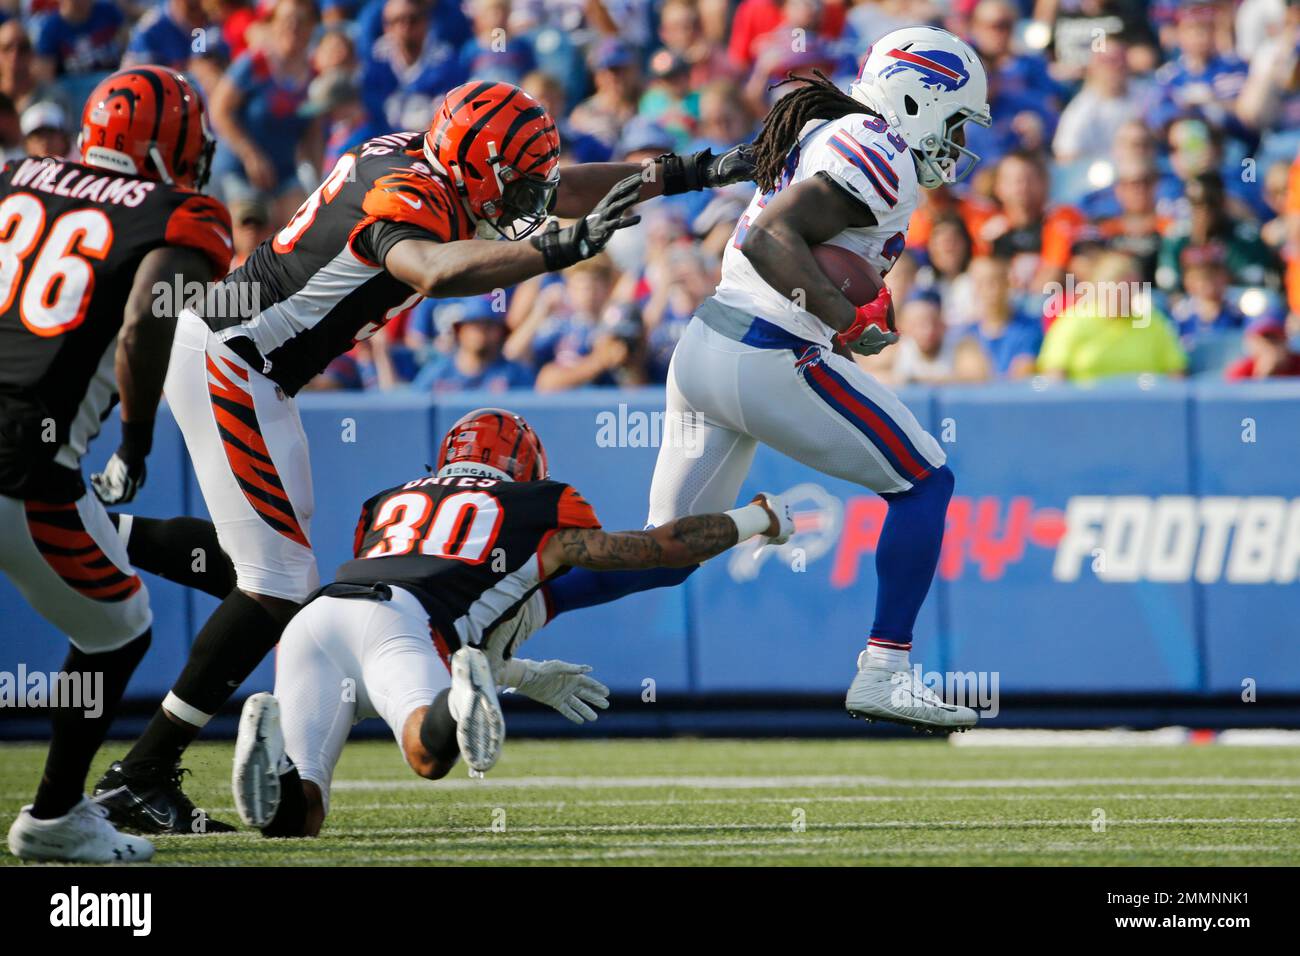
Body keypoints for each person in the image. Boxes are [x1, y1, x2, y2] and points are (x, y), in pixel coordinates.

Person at [92, 79, 755, 833]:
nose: (534, 194)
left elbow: (563, 186)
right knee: (279, 584)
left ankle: (103, 535)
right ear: (474, 166)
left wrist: (699, 170)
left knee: (278, 576)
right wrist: (552, 248)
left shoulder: (433, 164)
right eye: (518, 181)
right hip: (232, 360)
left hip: (258, 371)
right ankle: (141, 772)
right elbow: (433, 270)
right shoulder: (405, 193)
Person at [546, 26, 993, 731]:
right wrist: (846, 316)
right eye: (958, 118)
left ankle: (497, 611)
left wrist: (849, 297)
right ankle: (886, 669)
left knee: (666, 551)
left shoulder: (827, 130)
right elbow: (769, 237)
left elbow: (783, 233)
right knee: (925, 482)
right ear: (920, 97)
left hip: (705, 347)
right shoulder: (878, 149)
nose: (958, 140)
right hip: (768, 351)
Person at [228, 408, 794, 837]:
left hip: (318, 617)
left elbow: (468, 608)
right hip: (400, 622)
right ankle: (455, 704)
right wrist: (756, 518)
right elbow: (658, 550)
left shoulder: (386, 501)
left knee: (299, 817)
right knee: (428, 755)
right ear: (525, 466)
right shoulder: (538, 504)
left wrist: (518, 673)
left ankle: (273, 757)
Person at [1, 67, 231, 862]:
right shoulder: (183, 213)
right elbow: (144, 325)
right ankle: (56, 816)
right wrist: (135, 442)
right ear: (168, 145)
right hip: (22, 459)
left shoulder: (12, 176)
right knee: (119, 625)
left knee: (98, 560)